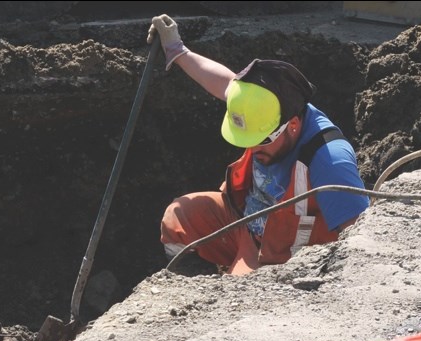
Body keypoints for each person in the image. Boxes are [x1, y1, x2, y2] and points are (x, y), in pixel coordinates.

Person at [148, 15, 369, 275]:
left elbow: (360, 240)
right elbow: (224, 83)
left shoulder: (330, 160)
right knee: (181, 215)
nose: (254, 149)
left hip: (283, 258)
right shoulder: (264, 109)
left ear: (294, 126)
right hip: (248, 227)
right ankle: (195, 284)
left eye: (261, 140)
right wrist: (177, 49)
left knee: (233, 298)